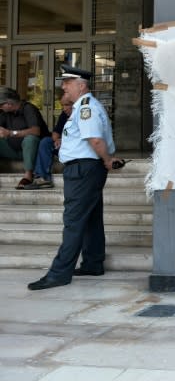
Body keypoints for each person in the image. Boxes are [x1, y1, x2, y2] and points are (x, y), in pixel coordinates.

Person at [28, 65, 117, 291]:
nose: (63, 86)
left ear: (81, 85)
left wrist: (107, 160)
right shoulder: (81, 107)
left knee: (74, 221)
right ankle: (93, 263)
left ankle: (59, 273)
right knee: (91, 218)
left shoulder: (86, 107)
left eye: (67, 82)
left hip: (83, 170)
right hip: (86, 169)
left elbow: (95, 140)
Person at [0, 87, 50, 189]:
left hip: (32, 152)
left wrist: (10, 133)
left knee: (30, 139)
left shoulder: (29, 108)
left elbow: (36, 131)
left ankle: (28, 176)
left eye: (1, 105)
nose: (0, 107)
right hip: (13, 149)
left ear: (9, 103)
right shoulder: (5, 113)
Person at [24, 97, 74, 190]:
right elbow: (55, 134)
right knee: (46, 141)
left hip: (77, 148)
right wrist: (58, 140)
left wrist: (64, 140)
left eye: (67, 105)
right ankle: (43, 178)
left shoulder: (82, 115)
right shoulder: (64, 115)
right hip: (63, 146)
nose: (64, 108)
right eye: (63, 105)